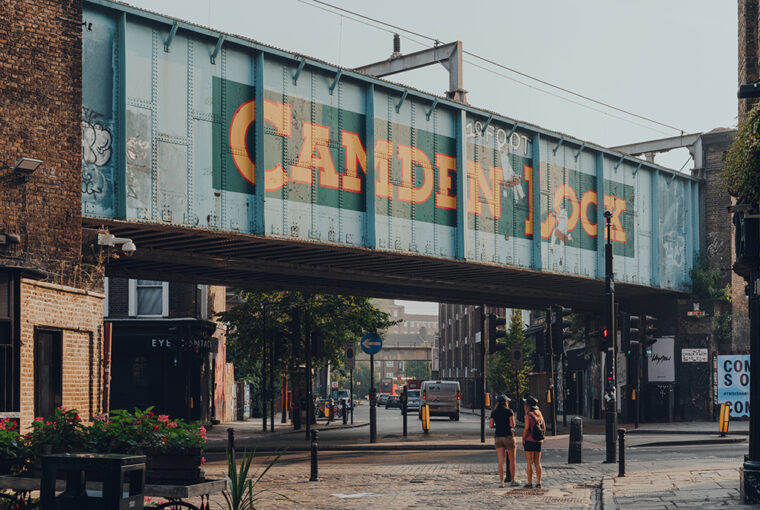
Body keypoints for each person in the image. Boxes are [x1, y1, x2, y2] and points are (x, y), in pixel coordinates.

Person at [489, 394, 519, 487]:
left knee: (501, 461)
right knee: (512, 460)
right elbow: (512, 424)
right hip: (508, 436)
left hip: (498, 437)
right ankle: (513, 480)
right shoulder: (509, 411)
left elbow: (490, 425)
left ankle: (501, 482)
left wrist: (497, 425)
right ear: (506, 402)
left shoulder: (494, 412)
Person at [522, 395, 545, 488]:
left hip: (529, 440)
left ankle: (529, 482)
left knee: (529, 462)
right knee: (537, 462)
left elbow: (527, 429)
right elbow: (544, 428)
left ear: (528, 405)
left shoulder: (528, 416)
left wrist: (523, 438)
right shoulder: (539, 415)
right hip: (538, 441)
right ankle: (539, 482)